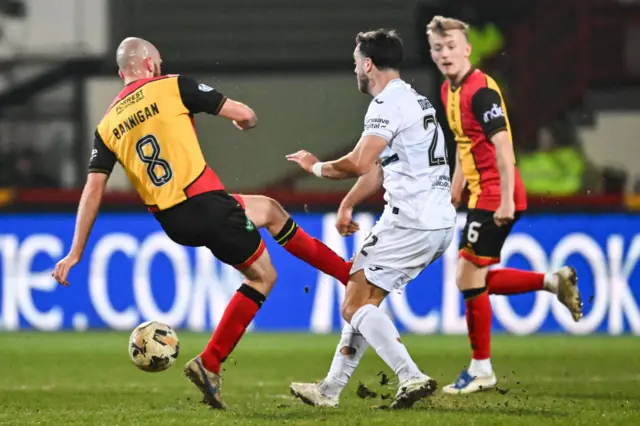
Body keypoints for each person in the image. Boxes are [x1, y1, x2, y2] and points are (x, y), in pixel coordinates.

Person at [50, 37, 350, 409]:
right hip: (205, 202)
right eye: (157, 61)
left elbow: (93, 190)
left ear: (120, 72)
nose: (159, 66)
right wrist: (246, 122)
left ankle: (345, 273)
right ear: (148, 65)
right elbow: (245, 114)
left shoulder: (107, 125)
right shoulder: (173, 85)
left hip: (173, 220)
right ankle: (211, 361)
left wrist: (75, 251)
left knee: (270, 210)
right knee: (263, 276)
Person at [286, 29, 456, 409]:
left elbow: (360, 161)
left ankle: (410, 376)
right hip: (438, 220)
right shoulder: (415, 99)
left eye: (355, 64)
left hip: (410, 220)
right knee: (363, 302)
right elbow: (378, 168)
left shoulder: (386, 103)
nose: (355, 72)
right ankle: (329, 390)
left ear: (368, 64)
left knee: (351, 304)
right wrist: (348, 204)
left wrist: (315, 168)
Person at [426, 16, 583, 394]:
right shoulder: (449, 91)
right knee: (472, 279)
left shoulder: (481, 91)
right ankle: (552, 282)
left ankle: (481, 369)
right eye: (437, 48)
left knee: (467, 277)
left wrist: (508, 198)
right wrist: (455, 186)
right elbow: (467, 144)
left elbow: (503, 146)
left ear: (467, 49)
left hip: (497, 194)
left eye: (451, 47)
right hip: (481, 193)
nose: (445, 54)